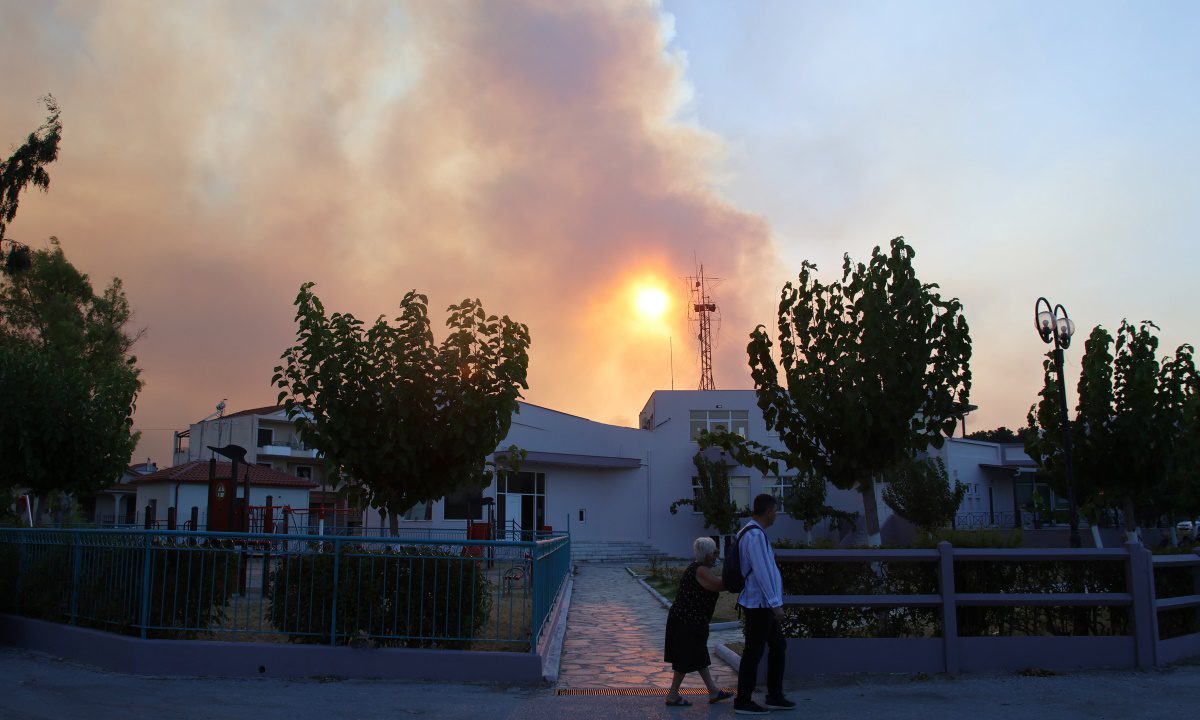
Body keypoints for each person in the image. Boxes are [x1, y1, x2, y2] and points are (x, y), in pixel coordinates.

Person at [734, 493, 795, 715]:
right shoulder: (755, 535)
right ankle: (743, 700)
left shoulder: (750, 532)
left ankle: (774, 695)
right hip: (759, 604)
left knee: (777, 646)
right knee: (754, 652)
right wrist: (775, 603)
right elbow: (763, 571)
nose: (776, 515)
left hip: (761, 603)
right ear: (768, 511)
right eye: (775, 511)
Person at [663, 536, 735, 707]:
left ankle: (712, 691)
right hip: (687, 621)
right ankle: (673, 695)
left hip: (689, 620)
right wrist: (737, 574)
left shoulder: (699, 568)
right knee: (687, 657)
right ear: (707, 555)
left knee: (697, 655)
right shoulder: (700, 570)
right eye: (714, 552)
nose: (716, 555)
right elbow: (719, 585)